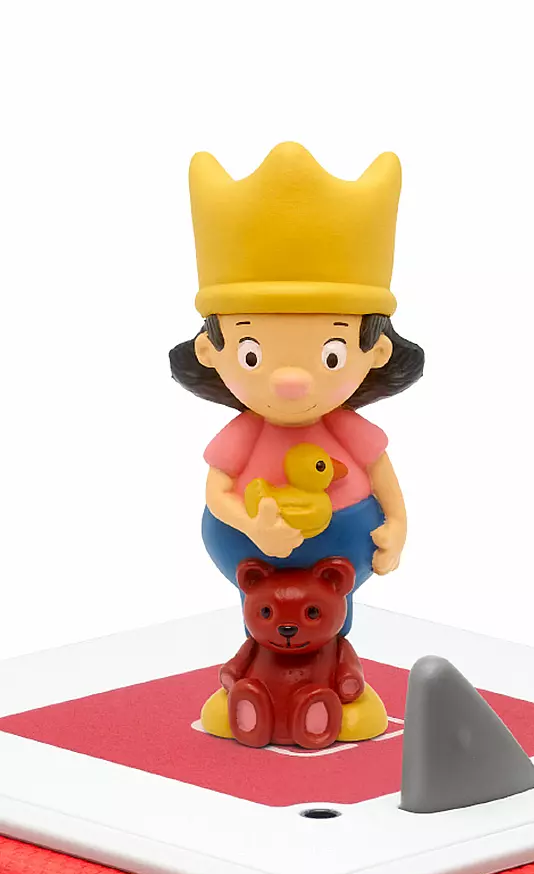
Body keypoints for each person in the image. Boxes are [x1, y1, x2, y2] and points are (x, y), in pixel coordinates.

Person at [170, 142, 424, 742]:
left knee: (330, 623)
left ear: (375, 352)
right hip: (252, 553)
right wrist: (252, 527)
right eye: (251, 354)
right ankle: (250, 685)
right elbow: (217, 491)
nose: (291, 381)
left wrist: (397, 526)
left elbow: (382, 475)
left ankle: (338, 685)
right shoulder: (244, 434)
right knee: (265, 622)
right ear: (211, 352)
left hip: (342, 548)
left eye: (331, 354)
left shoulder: (345, 428)